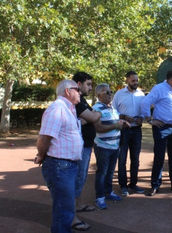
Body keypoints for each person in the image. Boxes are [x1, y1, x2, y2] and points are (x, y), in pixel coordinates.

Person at [34, 80, 84, 233]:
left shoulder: (69, 109)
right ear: (67, 91)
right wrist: (41, 156)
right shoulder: (57, 109)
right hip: (59, 166)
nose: (80, 92)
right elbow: (44, 138)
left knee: (65, 207)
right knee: (64, 209)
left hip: (67, 165)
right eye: (77, 89)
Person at [141, 69, 172, 196]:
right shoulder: (159, 88)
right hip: (162, 128)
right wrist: (150, 120)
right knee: (159, 157)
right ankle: (155, 185)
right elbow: (145, 102)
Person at [71, 72, 101, 231]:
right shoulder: (77, 101)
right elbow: (93, 117)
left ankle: (79, 204)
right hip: (80, 146)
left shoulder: (81, 100)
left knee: (80, 178)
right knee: (77, 179)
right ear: (78, 84)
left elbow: (93, 117)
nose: (90, 87)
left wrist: (95, 115)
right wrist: (95, 115)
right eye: (88, 84)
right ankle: (72, 217)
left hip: (86, 145)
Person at [93, 83, 131, 209]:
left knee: (110, 172)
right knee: (102, 173)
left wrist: (122, 122)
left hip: (115, 146)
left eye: (111, 92)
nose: (111, 94)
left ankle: (108, 192)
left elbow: (115, 121)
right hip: (103, 146)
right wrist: (115, 126)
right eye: (107, 92)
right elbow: (98, 128)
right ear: (98, 95)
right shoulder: (96, 109)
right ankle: (99, 197)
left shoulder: (112, 108)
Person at [112, 71, 145, 197]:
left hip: (137, 130)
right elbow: (113, 111)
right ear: (127, 80)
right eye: (133, 81)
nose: (135, 83)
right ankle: (123, 186)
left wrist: (141, 118)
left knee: (135, 159)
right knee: (122, 160)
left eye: (137, 80)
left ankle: (133, 183)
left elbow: (144, 111)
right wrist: (124, 117)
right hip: (124, 130)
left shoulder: (141, 94)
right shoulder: (119, 94)